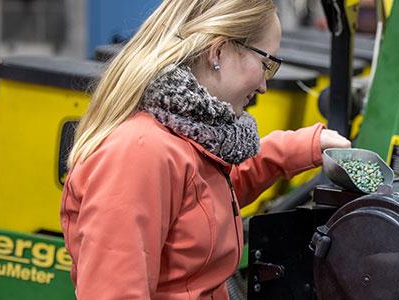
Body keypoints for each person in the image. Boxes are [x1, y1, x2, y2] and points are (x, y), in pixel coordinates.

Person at [60, 0, 351, 298]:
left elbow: (203, 203)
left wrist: (302, 147)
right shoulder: (137, 153)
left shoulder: (188, 136)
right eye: (266, 64)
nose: (264, 85)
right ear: (218, 51)